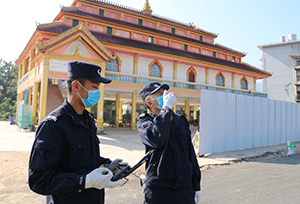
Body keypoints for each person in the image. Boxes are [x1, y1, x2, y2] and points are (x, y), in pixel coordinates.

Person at [28, 61, 123, 204]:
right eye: (94, 87)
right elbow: (39, 179)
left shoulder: (88, 120)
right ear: (76, 86)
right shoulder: (53, 125)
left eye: (98, 87)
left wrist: (109, 165)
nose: (97, 92)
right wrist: (83, 182)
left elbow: (87, 159)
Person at [137, 82, 201, 204]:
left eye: (165, 92)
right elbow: (156, 139)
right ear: (149, 103)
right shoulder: (144, 122)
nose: (165, 95)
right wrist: (166, 109)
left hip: (184, 187)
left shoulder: (180, 120)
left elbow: (190, 153)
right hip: (159, 188)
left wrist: (196, 184)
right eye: (159, 93)